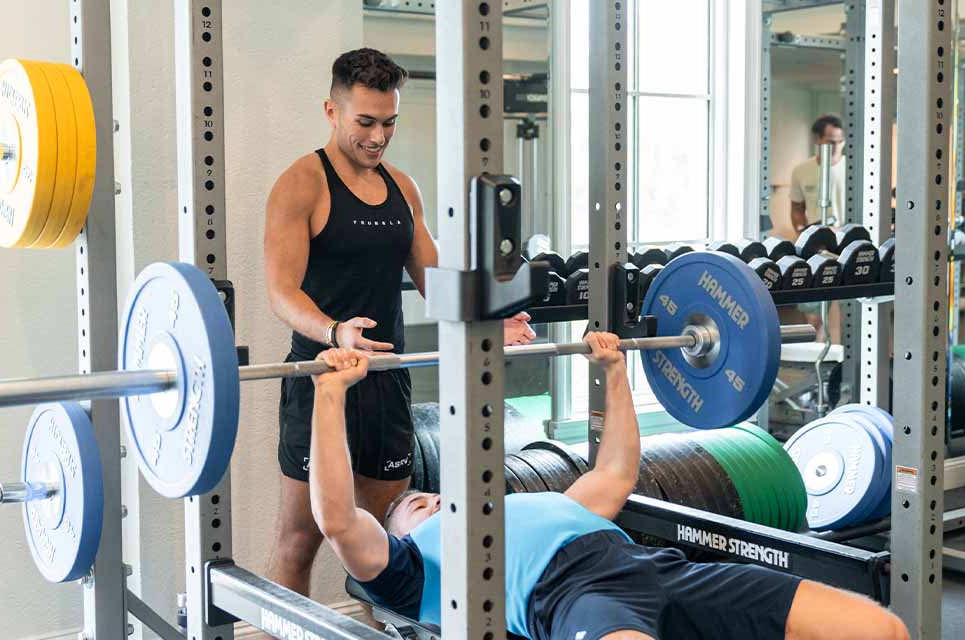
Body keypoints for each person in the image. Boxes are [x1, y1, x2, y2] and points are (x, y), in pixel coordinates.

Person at [307, 336, 910, 640]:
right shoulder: (413, 566)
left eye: (434, 495)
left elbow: (615, 473)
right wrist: (330, 395)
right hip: (569, 596)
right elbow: (337, 518)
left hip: (662, 570)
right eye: (417, 505)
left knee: (882, 630)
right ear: (401, 537)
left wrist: (616, 373)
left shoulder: (545, 505)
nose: (434, 500)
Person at [263, 47, 537, 597]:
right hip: (324, 382)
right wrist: (334, 332)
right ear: (332, 111)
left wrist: (488, 321)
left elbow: (435, 279)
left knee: (390, 549)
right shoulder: (302, 184)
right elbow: (281, 292)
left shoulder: (402, 188)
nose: (377, 136)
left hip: (387, 382)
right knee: (300, 540)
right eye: (365, 122)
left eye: (388, 122)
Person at [786, 114, 845, 342]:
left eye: (840, 141)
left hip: (845, 245)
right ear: (818, 140)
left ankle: (842, 359)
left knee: (845, 310)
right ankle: (814, 353)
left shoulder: (853, 170)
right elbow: (797, 207)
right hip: (816, 247)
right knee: (812, 313)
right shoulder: (802, 171)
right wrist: (802, 232)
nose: (837, 146)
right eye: (831, 141)